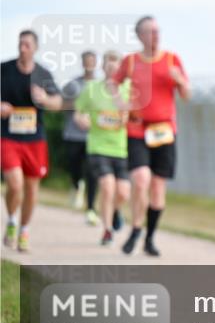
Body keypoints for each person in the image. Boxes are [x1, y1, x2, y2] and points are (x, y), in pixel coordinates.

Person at [112, 16, 191, 256]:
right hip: (137, 128)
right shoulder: (131, 61)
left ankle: (149, 237)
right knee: (141, 179)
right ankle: (136, 228)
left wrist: (179, 81)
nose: (155, 36)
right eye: (150, 32)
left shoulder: (171, 60)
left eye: (157, 31)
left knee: (157, 188)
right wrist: (120, 103)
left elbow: (186, 94)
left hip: (164, 131)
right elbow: (113, 84)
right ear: (140, 36)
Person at [1, 30, 63, 252]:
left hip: (35, 139)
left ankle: (24, 229)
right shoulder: (5, 70)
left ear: (35, 48)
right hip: (8, 137)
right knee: (15, 184)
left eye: (27, 44)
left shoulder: (43, 74)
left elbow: (58, 102)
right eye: (20, 43)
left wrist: (46, 99)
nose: (22, 47)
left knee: (31, 187)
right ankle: (11, 220)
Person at [73, 51, 132, 246]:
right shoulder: (91, 89)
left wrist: (128, 116)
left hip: (120, 148)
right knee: (107, 186)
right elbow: (78, 112)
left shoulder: (128, 89)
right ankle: (107, 230)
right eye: (108, 63)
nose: (112, 67)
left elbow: (135, 115)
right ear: (103, 66)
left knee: (123, 192)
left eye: (116, 64)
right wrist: (82, 120)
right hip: (97, 146)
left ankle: (115, 211)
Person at [61, 50, 100, 223]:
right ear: (82, 63)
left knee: (93, 171)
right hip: (73, 133)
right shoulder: (73, 85)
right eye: (87, 61)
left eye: (92, 61)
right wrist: (78, 107)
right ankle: (77, 184)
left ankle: (90, 208)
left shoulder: (102, 86)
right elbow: (60, 104)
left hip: (94, 136)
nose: (89, 64)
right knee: (73, 165)